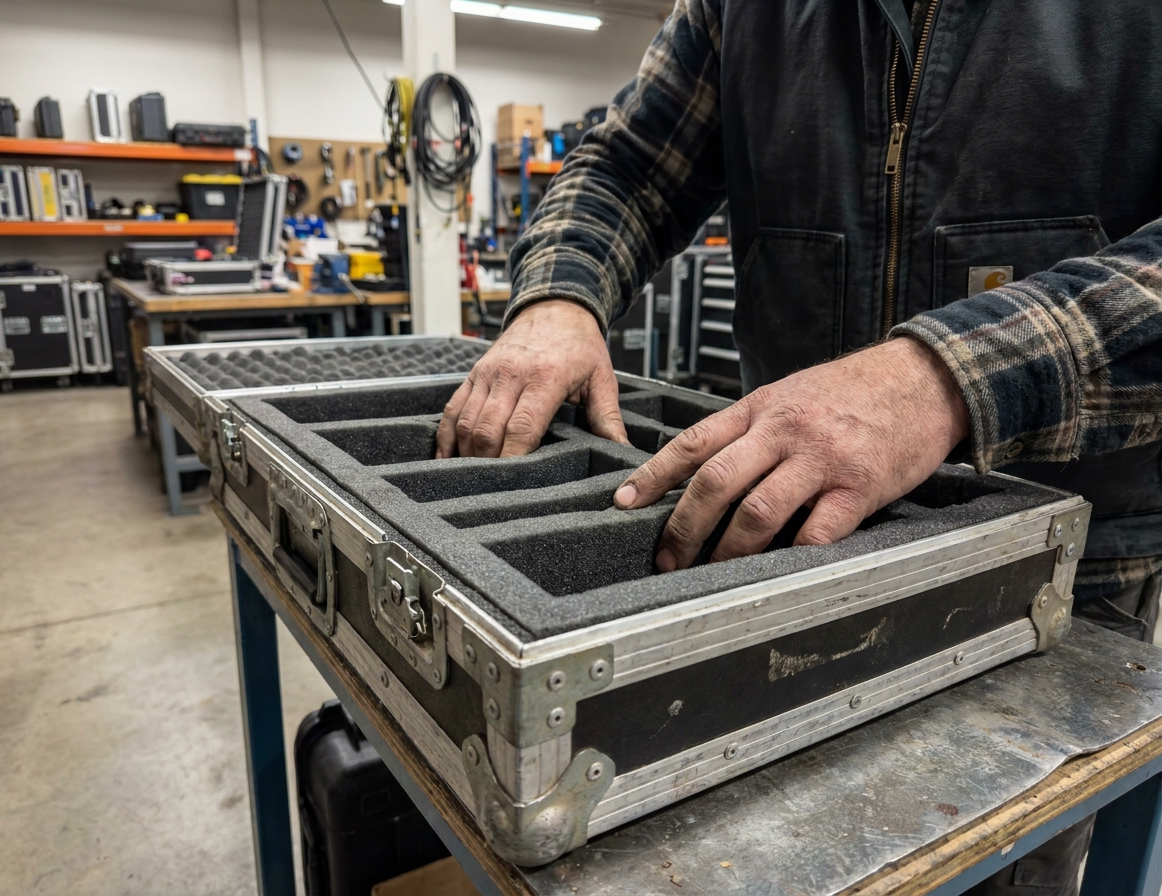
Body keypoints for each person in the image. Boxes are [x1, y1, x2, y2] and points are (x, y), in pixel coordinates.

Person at [437, 2, 1162, 893]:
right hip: (774, 535)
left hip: (1062, 562)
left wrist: (946, 377)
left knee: (1001, 863)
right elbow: (627, 165)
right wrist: (559, 296)